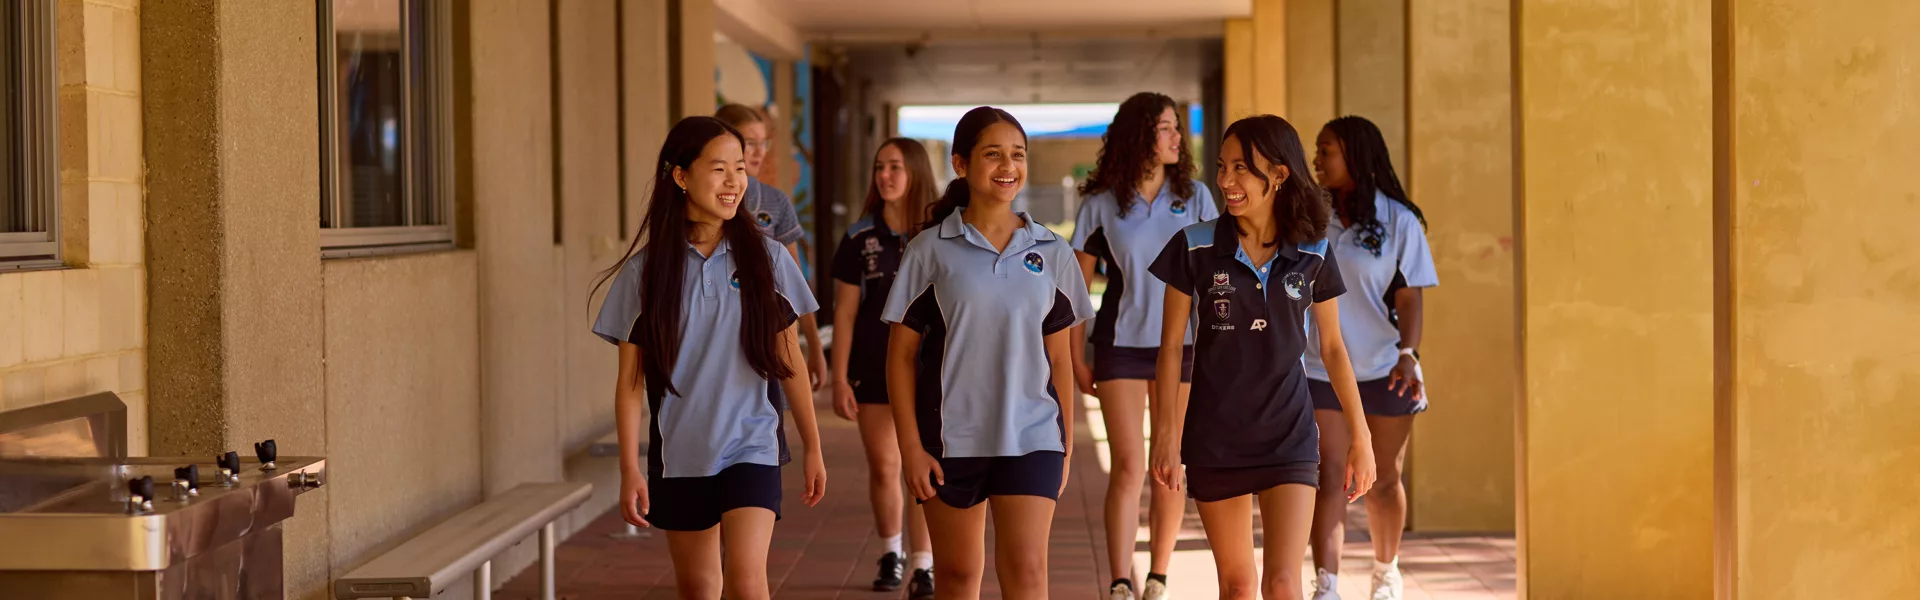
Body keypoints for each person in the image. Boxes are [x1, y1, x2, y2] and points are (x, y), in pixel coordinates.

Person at [592, 116, 827, 600]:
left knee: (747, 583)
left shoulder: (768, 258)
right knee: (700, 588)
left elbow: (789, 362)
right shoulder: (646, 273)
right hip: (681, 453)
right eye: (719, 168)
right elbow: (630, 382)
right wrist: (629, 468)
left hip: (752, 443)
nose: (734, 181)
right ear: (680, 176)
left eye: (739, 168)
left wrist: (813, 446)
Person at [1147, 115, 1377, 600]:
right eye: (1222, 167)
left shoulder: (1314, 251)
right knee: (1236, 585)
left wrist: (1361, 435)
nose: (1225, 181)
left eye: (1241, 169)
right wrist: (1165, 436)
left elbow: (1333, 349)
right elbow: (1171, 347)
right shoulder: (1193, 246)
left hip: (1288, 435)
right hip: (1216, 437)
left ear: (1278, 174)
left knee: (1283, 583)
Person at [883, 106, 1094, 600]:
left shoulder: (1054, 252)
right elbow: (899, 358)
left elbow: (1060, 360)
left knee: (1027, 575)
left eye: (1018, 155)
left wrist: (1064, 446)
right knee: (958, 579)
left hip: (1033, 437)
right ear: (960, 164)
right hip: (950, 440)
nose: (1008, 166)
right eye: (993, 154)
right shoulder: (928, 251)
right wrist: (910, 448)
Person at [1069, 92, 1216, 600]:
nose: (1179, 138)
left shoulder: (1196, 197)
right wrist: (1073, 359)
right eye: (1168, 128)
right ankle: (1118, 581)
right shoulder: (1100, 203)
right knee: (1129, 466)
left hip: (1188, 345)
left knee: (1170, 463)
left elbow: (1220, 274)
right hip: (1122, 345)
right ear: (1141, 136)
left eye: (1178, 128)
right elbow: (1075, 292)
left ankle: (1158, 577)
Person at [1303, 116, 1438, 600]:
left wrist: (1408, 353)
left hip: (1384, 368)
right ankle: (1328, 584)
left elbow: (1409, 299)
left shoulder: (1399, 220)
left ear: (1355, 156)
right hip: (1319, 368)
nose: (1317, 160)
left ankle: (1385, 573)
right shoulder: (1307, 216)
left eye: (1327, 151)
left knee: (1382, 480)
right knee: (1330, 476)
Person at [830, 137, 939, 598]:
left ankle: (923, 563)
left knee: (920, 466)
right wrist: (838, 377)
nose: (885, 176)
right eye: (879, 167)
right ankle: (891, 551)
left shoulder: (940, 231)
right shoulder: (860, 237)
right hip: (873, 369)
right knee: (884, 465)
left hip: (928, 371)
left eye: (895, 167)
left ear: (915, 172)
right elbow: (845, 313)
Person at [715, 104, 828, 393]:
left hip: (765, 336)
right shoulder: (703, 202)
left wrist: (814, 346)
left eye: (763, 143)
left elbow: (794, 281)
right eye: (749, 142)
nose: (758, 151)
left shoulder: (775, 202)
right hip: (713, 335)